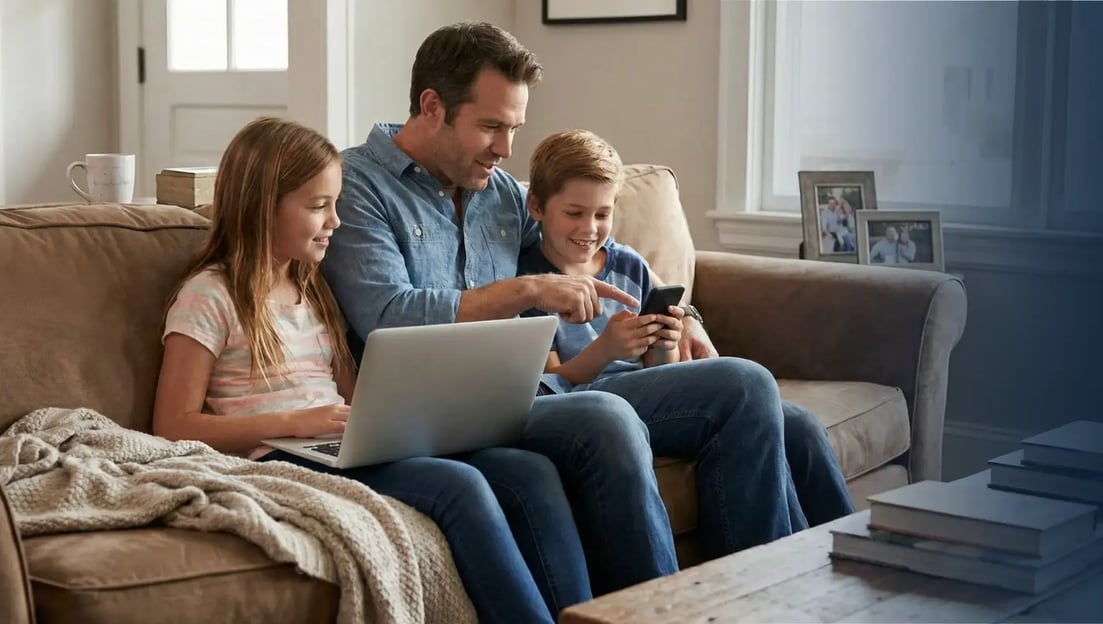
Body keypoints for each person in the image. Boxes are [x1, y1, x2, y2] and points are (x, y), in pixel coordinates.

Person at [152, 116, 596, 624]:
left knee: (530, 471)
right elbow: (172, 425)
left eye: (335, 205)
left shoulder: (313, 292)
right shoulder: (209, 296)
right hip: (277, 454)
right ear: (260, 207)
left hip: (335, 442)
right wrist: (292, 424)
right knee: (460, 487)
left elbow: (358, 396)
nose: (335, 222)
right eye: (319, 207)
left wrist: (403, 420)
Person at [320, 22, 678, 597]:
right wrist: (527, 291)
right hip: (423, 418)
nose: (507, 149)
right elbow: (389, 315)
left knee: (747, 391)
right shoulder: (356, 185)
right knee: (606, 417)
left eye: (513, 128)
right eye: (490, 126)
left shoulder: (502, 192)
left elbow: (586, 241)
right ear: (432, 106)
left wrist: (685, 313)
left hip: (515, 401)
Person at [515, 129, 855, 558]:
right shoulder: (530, 281)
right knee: (746, 382)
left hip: (647, 398)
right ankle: (768, 573)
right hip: (585, 400)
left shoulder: (626, 264)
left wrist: (664, 343)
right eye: (575, 213)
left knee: (800, 427)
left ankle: (850, 564)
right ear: (537, 207)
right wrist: (605, 350)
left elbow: (661, 376)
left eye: (603, 214)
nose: (590, 228)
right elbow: (549, 382)